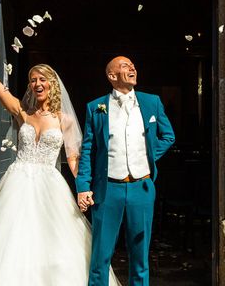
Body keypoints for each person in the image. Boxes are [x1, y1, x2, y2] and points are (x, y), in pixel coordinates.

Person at [0, 44, 120, 285]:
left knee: (54, 241)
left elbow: (74, 158)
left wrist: (83, 187)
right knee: (12, 240)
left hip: (49, 185)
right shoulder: (22, 111)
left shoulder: (63, 120)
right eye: (33, 80)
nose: (37, 84)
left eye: (42, 79)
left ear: (52, 84)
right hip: (17, 183)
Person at [76, 56, 175, 286]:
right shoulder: (96, 107)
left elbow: (168, 136)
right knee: (101, 256)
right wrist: (83, 186)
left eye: (132, 65)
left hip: (142, 187)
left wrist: (147, 156)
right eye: (124, 66)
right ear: (112, 76)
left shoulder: (152, 102)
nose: (132, 67)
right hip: (108, 189)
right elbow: (88, 149)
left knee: (140, 257)